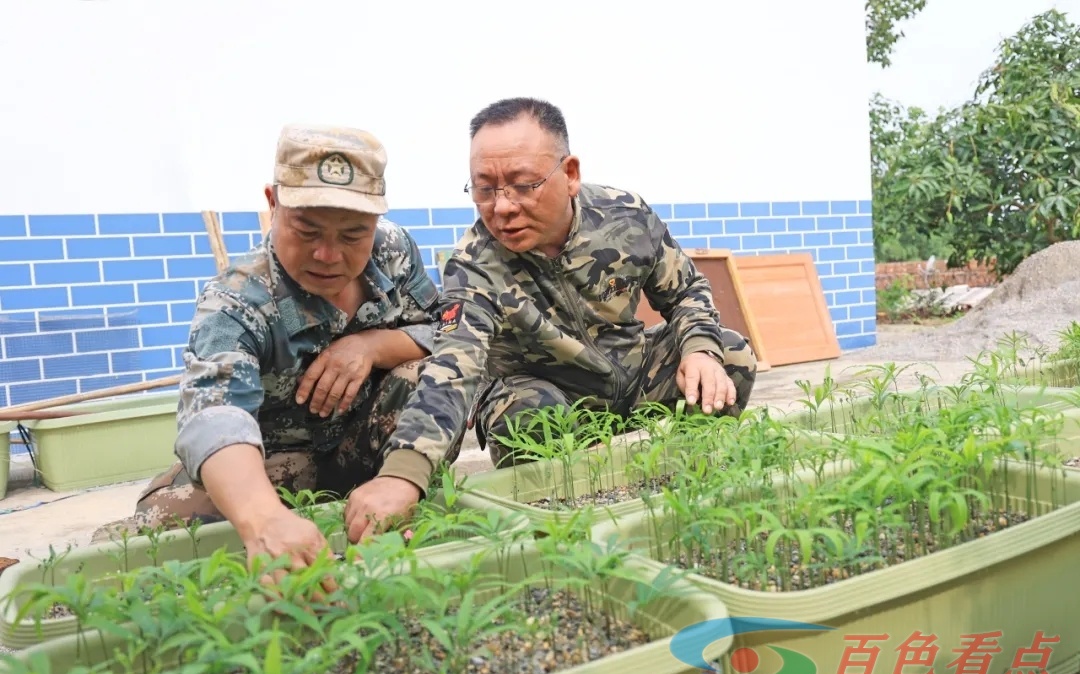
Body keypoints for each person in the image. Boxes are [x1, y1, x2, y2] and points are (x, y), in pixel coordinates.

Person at [360, 97, 758, 530]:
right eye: (484, 188)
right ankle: (563, 521)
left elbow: (685, 291)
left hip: (634, 376)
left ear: (569, 175)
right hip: (552, 398)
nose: (503, 206)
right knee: (526, 414)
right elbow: (453, 367)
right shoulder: (473, 265)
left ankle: (684, 490)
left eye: (522, 185)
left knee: (730, 355)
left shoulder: (624, 215)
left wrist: (699, 349)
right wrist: (404, 473)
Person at [93, 124, 444, 575]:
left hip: (368, 451)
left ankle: (396, 496)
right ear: (273, 202)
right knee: (159, 528)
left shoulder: (393, 250)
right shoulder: (238, 299)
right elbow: (213, 416)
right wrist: (263, 518)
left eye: (353, 235)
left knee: (429, 375)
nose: (328, 254)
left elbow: (444, 332)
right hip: (277, 467)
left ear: (376, 221)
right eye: (308, 230)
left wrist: (373, 346)